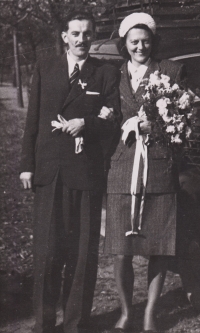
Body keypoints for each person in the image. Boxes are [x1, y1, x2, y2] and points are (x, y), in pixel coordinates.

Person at [19, 10, 121, 333]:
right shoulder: (45, 67)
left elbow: (113, 120)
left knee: (82, 256)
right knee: (48, 254)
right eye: (75, 34)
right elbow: (33, 119)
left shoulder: (105, 73)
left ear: (93, 36)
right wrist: (26, 166)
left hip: (86, 174)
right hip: (50, 173)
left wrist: (86, 124)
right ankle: (44, 323)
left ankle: (76, 324)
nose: (81, 40)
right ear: (64, 36)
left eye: (87, 34)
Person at [104, 12, 187, 332]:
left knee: (159, 246)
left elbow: (184, 118)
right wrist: (107, 117)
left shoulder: (171, 71)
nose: (141, 46)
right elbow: (105, 120)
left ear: (154, 42)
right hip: (122, 165)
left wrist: (157, 126)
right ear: (124, 44)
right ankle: (126, 311)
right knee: (119, 249)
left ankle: (151, 313)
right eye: (134, 42)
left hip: (159, 167)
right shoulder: (112, 75)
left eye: (146, 41)